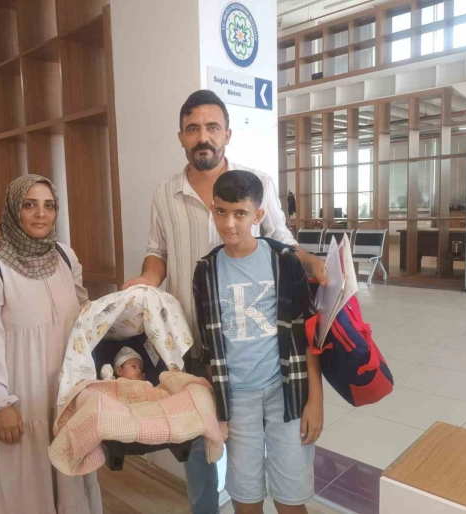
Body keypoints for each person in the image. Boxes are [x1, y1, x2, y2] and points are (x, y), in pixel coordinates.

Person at [122, 90, 325, 514]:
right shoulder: (165, 193)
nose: (203, 137)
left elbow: (282, 242)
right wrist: (146, 279)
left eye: (212, 127)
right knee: (201, 454)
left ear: (227, 134)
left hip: (262, 355)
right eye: (193, 128)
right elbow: (157, 252)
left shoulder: (257, 184)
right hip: (197, 346)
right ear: (181, 136)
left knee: (273, 463)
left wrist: (314, 263)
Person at [0, 175, 102, 514]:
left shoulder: (65, 257)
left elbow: (83, 315)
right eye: (30, 205)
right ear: (14, 210)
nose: (41, 214)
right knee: (25, 486)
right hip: (21, 401)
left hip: (66, 393)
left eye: (49, 205)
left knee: (70, 477)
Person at [193, 170, 323, 514]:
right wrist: (218, 410)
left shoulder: (284, 261)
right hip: (237, 399)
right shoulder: (205, 271)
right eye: (221, 211)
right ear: (212, 209)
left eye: (240, 213)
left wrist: (315, 401)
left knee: (290, 496)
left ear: (258, 215)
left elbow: (306, 336)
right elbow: (209, 347)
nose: (229, 223)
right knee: (245, 495)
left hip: (287, 393)